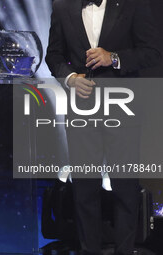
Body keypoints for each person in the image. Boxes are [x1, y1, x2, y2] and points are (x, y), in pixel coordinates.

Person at [46, 0, 161, 254]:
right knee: (84, 188)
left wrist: (114, 58)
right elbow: (53, 55)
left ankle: (124, 250)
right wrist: (70, 78)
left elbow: (153, 51)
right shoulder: (63, 6)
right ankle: (89, 250)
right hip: (81, 108)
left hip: (123, 105)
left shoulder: (133, 5)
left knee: (125, 187)